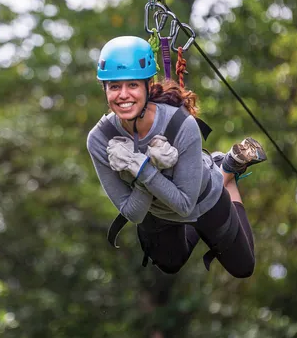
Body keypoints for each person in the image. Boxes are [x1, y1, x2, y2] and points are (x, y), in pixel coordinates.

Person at [86, 36, 267, 277]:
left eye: (132, 85)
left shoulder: (181, 125)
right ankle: (224, 169)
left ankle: (226, 171)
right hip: (157, 212)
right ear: (105, 89)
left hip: (201, 197)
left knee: (244, 268)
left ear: (147, 87)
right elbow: (134, 212)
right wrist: (142, 168)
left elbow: (184, 205)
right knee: (170, 264)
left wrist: (141, 168)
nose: (123, 95)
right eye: (114, 86)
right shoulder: (100, 139)